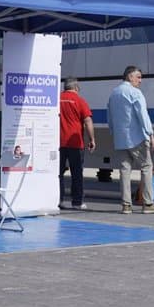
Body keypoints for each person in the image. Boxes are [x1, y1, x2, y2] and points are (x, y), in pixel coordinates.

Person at [107, 65, 154, 214]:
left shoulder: (114, 93)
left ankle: (126, 205)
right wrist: (151, 135)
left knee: (125, 170)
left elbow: (110, 116)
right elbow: (143, 115)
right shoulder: (135, 93)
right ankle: (148, 203)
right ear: (130, 77)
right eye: (138, 77)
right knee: (146, 167)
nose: (140, 81)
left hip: (120, 139)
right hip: (136, 137)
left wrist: (113, 132)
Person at [58, 77, 96, 209]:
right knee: (77, 173)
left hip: (58, 143)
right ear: (76, 88)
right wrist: (92, 139)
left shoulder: (56, 99)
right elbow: (87, 121)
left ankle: (59, 200)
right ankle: (77, 202)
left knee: (58, 173)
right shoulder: (80, 101)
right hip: (75, 143)